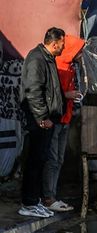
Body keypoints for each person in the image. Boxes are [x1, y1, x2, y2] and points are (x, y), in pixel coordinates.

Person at [18, 27, 66, 218]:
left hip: (46, 120)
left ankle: (34, 201)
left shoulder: (47, 58)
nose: (63, 48)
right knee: (34, 161)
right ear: (54, 43)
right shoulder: (37, 59)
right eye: (62, 44)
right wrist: (41, 118)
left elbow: (50, 90)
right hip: (39, 121)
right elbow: (33, 91)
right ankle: (28, 203)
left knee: (40, 160)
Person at [41, 35, 84, 213]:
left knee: (58, 159)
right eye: (79, 51)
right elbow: (50, 93)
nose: (82, 54)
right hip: (55, 119)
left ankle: (52, 195)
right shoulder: (57, 67)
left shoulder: (72, 68)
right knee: (52, 159)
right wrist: (68, 95)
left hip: (65, 118)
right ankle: (48, 197)